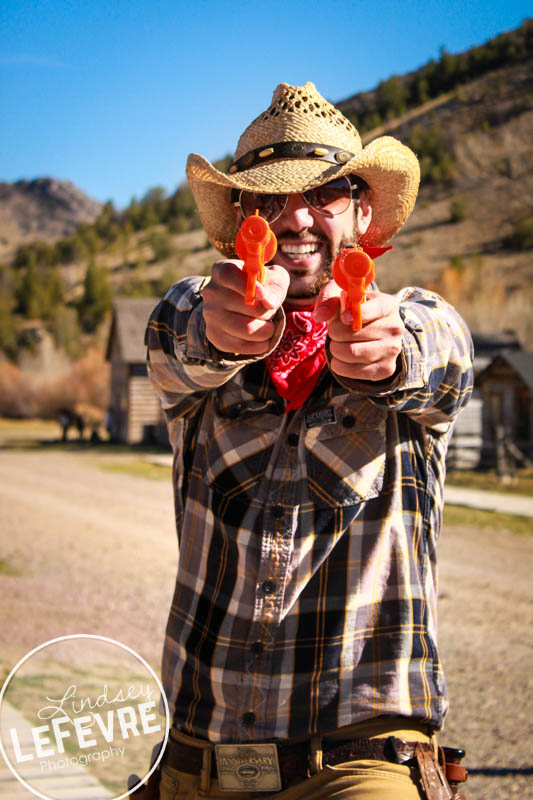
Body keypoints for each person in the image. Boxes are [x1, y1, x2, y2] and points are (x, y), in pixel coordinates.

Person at [144, 82, 473, 800]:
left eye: (325, 192)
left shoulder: (419, 321)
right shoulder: (190, 322)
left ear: (361, 211)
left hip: (360, 762)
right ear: (240, 221)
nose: (293, 217)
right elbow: (173, 335)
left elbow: (439, 357)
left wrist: (387, 355)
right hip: (198, 759)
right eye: (266, 198)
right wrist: (215, 330)